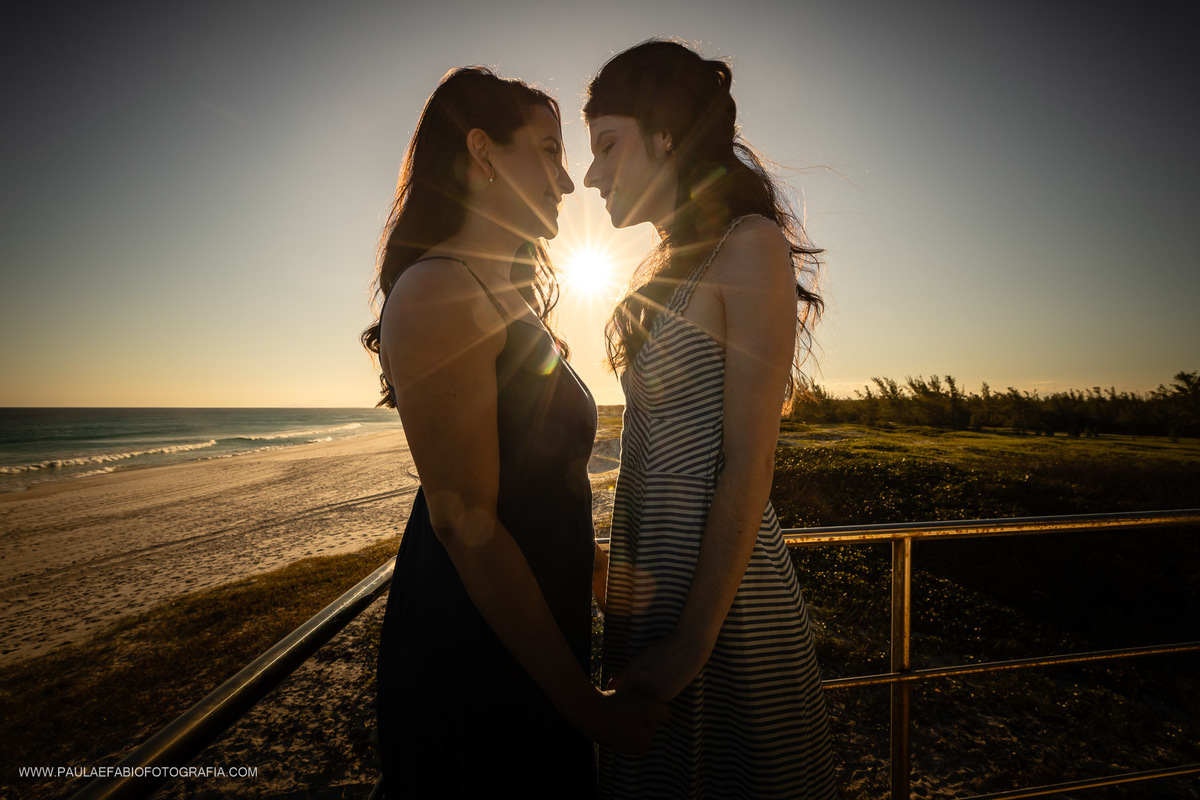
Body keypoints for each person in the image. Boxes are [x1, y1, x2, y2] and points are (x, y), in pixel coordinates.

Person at [363, 66, 667, 799]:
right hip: (476, 652)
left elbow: (529, 481)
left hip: (529, 630)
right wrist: (584, 708)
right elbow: (468, 525)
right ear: (483, 151)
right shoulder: (438, 289)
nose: (568, 182)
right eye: (550, 150)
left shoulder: (499, 293)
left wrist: (595, 567)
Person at [582, 41, 837, 798]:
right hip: (650, 573)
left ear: (666, 135)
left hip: (722, 599)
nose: (592, 175)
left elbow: (749, 461)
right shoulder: (667, 262)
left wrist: (694, 639)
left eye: (606, 145)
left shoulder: (750, 246)